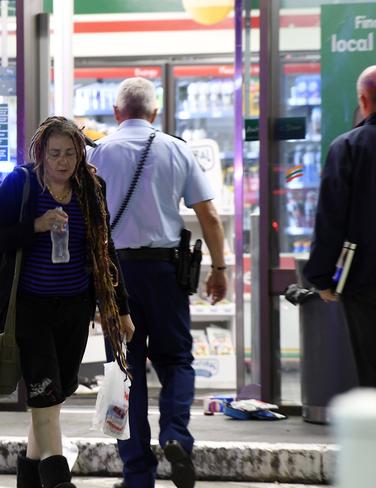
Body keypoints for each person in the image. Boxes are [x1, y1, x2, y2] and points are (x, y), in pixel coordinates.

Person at [87, 77, 228, 488]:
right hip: (166, 274)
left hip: (117, 277)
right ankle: (175, 435)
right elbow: (210, 217)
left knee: (126, 372)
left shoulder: (100, 153)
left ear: (117, 113)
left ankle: (137, 474)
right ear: (154, 114)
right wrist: (219, 270)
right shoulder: (175, 148)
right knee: (177, 360)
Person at [0, 116, 135, 488]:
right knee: (44, 393)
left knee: (51, 400)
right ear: (41, 153)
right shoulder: (20, 185)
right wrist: (33, 227)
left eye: (70, 153)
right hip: (29, 309)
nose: (63, 161)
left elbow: (105, 250)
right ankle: (58, 481)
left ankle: (29, 478)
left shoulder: (91, 187)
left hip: (74, 309)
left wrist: (120, 308)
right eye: (55, 153)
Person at [304, 65, 376, 388]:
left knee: (372, 371)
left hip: (365, 283)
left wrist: (321, 277)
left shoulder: (348, 147)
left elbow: (331, 218)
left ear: (363, 100)